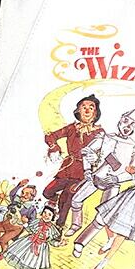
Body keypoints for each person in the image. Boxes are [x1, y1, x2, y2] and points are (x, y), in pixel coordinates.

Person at [72, 144, 135, 269]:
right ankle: (110, 238)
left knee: (123, 232)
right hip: (129, 196)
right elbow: (130, 175)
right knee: (106, 216)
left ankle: (104, 261)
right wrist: (119, 176)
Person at [63, 107, 135, 241]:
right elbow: (87, 151)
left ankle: (82, 242)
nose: (127, 127)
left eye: (131, 124)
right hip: (96, 177)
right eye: (125, 122)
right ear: (120, 121)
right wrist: (87, 170)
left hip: (113, 184)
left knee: (103, 216)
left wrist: (117, 178)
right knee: (76, 200)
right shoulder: (105, 137)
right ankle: (76, 224)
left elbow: (134, 171)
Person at [42, 94, 103, 230]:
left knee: (67, 200)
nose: (87, 110)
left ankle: (58, 227)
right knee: (47, 192)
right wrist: (54, 148)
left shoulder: (100, 132)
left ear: (95, 112)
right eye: (83, 107)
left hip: (83, 172)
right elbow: (50, 136)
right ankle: (54, 203)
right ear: (78, 111)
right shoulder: (72, 128)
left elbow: (105, 152)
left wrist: (96, 160)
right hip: (67, 168)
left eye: (91, 107)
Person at [4, 204, 61, 269]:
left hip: (40, 247)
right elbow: (30, 229)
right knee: (21, 255)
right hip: (29, 241)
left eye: (49, 214)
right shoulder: (37, 222)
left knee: (29, 261)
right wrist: (25, 223)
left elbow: (51, 241)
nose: (46, 215)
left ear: (53, 217)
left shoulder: (52, 229)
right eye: (45, 212)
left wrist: (58, 243)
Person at [0, 179, 38, 262]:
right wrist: (19, 186)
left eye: (27, 194)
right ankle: (0, 241)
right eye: (22, 192)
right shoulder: (16, 199)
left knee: (3, 240)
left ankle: (4, 252)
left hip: (16, 228)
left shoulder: (31, 208)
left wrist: (26, 221)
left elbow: (33, 222)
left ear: (32, 197)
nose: (23, 195)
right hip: (6, 222)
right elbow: (11, 194)